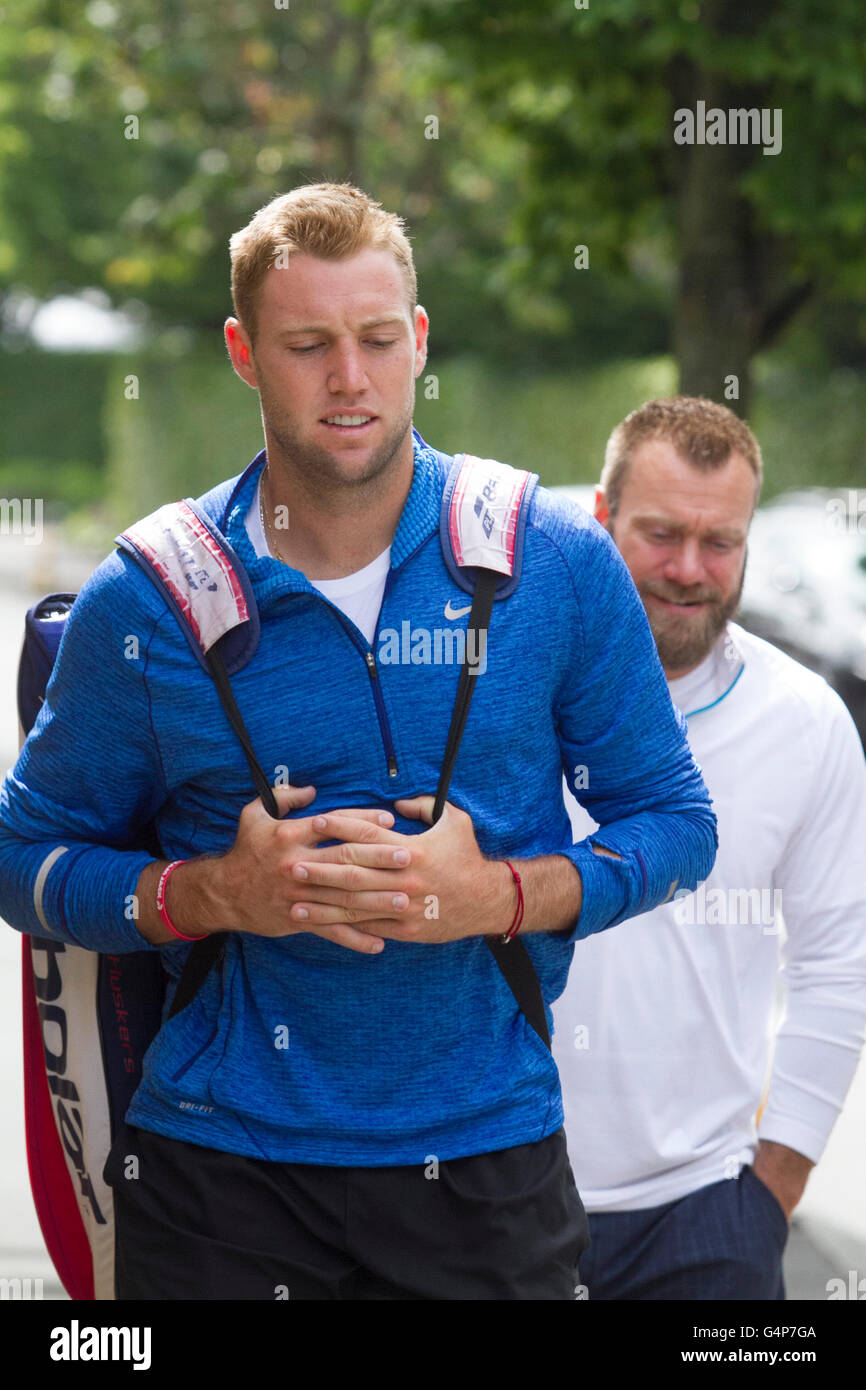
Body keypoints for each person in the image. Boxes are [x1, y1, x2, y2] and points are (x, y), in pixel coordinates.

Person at [0, 186, 716, 1301]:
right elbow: (23, 861)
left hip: (487, 1172)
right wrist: (210, 893)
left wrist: (501, 897)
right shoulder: (147, 597)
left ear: (418, 340)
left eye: (378, 339)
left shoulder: (556, 562)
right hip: (216, 1182)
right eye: (307, 344)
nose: (350, 378)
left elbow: (677, 824)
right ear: (243, 352)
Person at [553, 396, 866, 1301]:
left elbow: (837, 971)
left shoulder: (805, 723)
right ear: (602, 518)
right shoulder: (507, 695)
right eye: (660, 534)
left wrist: (772, 1192)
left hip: (708, 1223)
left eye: (719, 541)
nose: (688, 569)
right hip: (500, 1201)